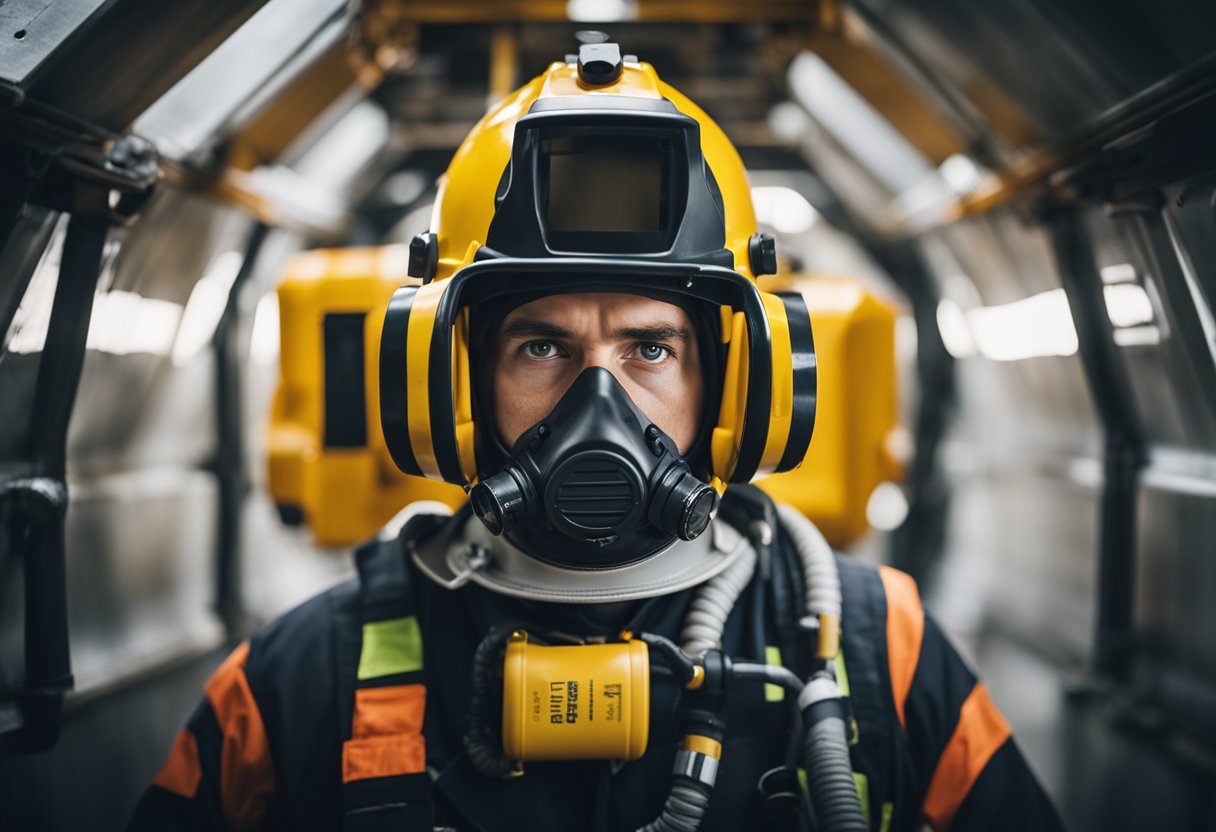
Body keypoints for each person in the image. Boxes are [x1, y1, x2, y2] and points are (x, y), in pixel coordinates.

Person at [129, 39, 1064, 832]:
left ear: (739, 377)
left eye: (650, 347)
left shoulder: (878, 652)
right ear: (448, 375)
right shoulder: (289, 685)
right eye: (542, 344)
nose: (597, 407)